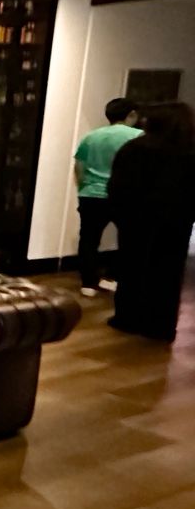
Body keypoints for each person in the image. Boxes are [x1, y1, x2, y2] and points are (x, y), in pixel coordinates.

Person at [106, 101, 195, 341]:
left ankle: (128, 318)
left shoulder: (134, 149)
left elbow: (117, 188)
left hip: (136, 219)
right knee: (168, 273)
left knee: (132, 267)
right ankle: (161, 325)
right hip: (177, 222)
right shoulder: (189, 152)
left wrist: (120, 215)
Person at [72, 97, 140, 296]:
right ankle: (113, 277)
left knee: (89, 239)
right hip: (124, 195)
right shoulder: (138, 137)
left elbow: (79, 166)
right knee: (129, 238)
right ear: (132, 114)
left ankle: (88, 283)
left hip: (91, 194)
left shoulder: (91, 137)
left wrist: (84, 188)